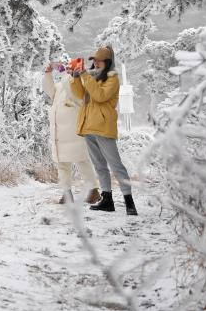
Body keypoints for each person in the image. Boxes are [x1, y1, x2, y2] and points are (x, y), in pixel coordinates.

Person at [69, 46, 138, 215]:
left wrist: (85, 75)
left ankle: (129, 202)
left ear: (107, 62)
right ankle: (107, 200)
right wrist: (75, 78)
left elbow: (100, 96)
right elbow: (79, 95)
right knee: (99, 166)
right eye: (94, 60)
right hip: (88, 126)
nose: (96, 63)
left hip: (103, 127)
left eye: (99, 61)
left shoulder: (112, 79)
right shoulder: (92, 77)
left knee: (116, 165)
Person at [43, 59, 101, 205]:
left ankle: (93, 191)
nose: (67, 70)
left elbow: (72, 92)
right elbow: (50, 90)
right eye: (67, 68)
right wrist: (48, 74)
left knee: (82, 161)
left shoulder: (79, 85)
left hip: (74, 133)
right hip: (59, 134)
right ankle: (67, 193)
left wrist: (62, 71)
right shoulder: (61, 86)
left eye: (70, 68)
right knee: (62, 164)